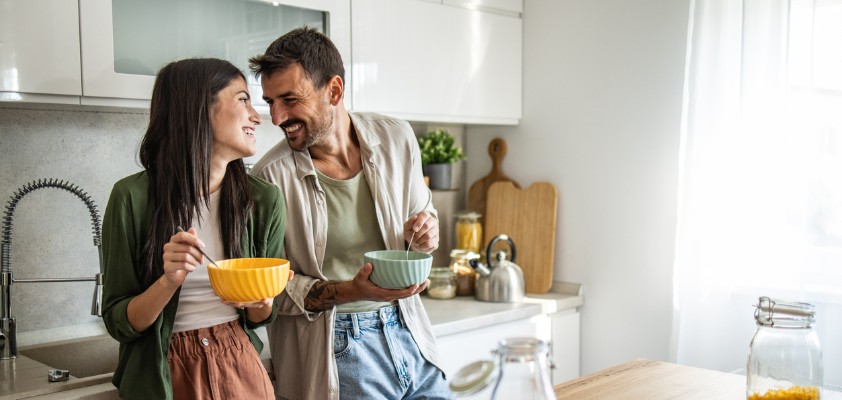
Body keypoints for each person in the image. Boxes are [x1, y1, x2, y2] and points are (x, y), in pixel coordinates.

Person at [248, 27, 451, 400]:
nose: (276, 117)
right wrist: (349, 291)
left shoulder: (396, 138)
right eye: (270, 102)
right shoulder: (267, 179)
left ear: (334, 91)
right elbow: (268, 292)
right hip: (336, 348)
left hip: (411, 329)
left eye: (290, 100)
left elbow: (424, 217)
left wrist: (424, 234)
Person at [101, 58, 290, 399]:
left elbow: (262, 315)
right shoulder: (131, 197)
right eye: (243, 100)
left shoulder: (264, 200)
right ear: (199, 107)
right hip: (163, 375)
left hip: (239, 366)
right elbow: (119, 322)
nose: (257, 117)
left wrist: (262, 299)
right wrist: (168, 280)